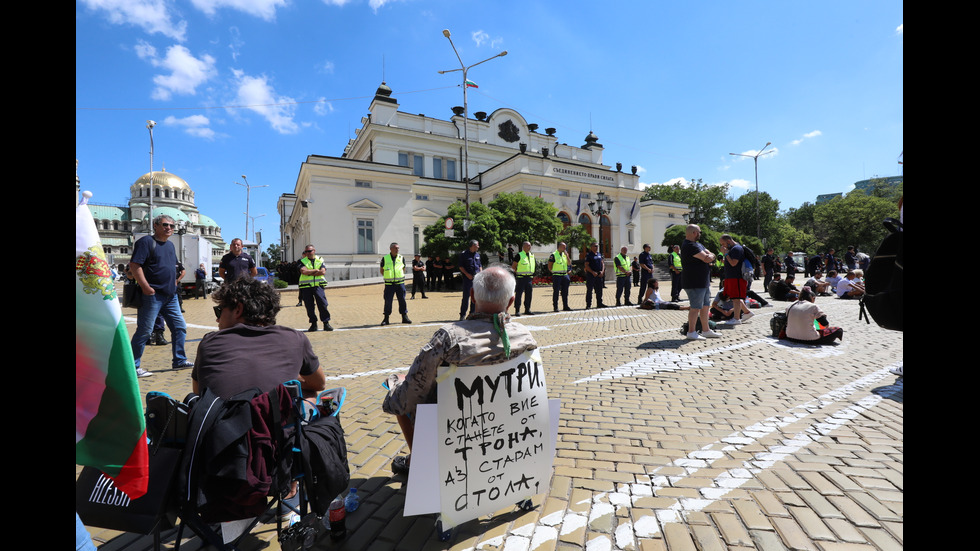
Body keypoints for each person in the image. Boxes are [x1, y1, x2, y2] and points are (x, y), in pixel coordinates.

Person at [380, 267, 538, 475]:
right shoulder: (525, 337)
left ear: (472, 296)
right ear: (511, 301)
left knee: (400, 385)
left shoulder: (449, 338)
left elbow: (408, 397)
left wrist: (393, 395)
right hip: (503, 425)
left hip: (454, 425)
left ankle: (419, 462)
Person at [192, 277, 327, 399]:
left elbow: (198, 393)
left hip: (221, 423)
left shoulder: (209, 342)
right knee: (310, 394)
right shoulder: (295, 338)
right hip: (274, 423)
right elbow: (319, 384)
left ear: (238, 309)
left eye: (219, 311)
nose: (217, 319)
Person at [129, 214, 194, 376]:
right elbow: (134, 265)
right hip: (152, 295)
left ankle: (179, 360)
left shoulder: (170, 246)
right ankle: (132, 367)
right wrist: (146, 287)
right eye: (165, 225)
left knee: (180, 327)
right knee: (145, 331)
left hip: (170, 296)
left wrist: (174, 283)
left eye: (172, 226)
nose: (169, 228)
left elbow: (174, 267)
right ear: (155, 225)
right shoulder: (146, 242)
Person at [681, 224, 722, 340]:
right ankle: (691, 332)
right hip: (694, 281)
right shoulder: (689, 245)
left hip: (702, 281)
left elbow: (710, 254)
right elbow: (707, 258)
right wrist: (711, 256)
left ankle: (706, 330)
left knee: (705, 306)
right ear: (694, 233)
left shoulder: (697, 244)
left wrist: (710, 255)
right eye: (700, 232)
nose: (700, 234)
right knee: (695, 307)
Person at [719, 234, 753, 325]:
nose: (723, 246)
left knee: (736, 298)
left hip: (736, 277)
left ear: (728, 241)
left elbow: (734, 263)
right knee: (735, 297)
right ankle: (747, 312)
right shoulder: (732, 249)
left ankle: (736, 318)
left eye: (723, 243)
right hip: (732, 277)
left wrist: (725, 253)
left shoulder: (736, 249)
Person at [298, 244, 333, 332]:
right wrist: (316, 270)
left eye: (310, 251)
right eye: (306, 251)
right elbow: (303, 271)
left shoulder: (320, 259)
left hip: (318, 286)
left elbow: (323, 272)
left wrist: (310, 272)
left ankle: (326, 323)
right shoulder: (301, 261)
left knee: (323, 304)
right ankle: (313, 324)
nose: (308, 253)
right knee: (309, 306)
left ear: (314, 251)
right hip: (306, 287)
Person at [381, 242, 411, 325]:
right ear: (391, 249)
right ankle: (386, 318)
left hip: (400, 283)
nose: (397, 249)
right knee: (388, 301)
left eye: (398, 248)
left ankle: (404, 317)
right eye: (395, 248)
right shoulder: (385, 258)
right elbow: (382, 270)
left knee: (402, 300)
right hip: (389, 284)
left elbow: (403, 269)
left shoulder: (401, 258)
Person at [458, 240, 482, 320]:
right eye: (477, 245)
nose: (478, 247)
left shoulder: (477, 254)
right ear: (473, 245)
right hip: (468, 279)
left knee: (475, 297)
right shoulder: (464, 254)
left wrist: (481, 273)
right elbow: (461, 266)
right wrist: (467, 274)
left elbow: (479, 265)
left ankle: (473, 314)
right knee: (466, 297)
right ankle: (462, 315)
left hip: (477, 279)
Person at [511, 241, 535, 316]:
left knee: (529, 294)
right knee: (519, 294)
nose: (529, 247)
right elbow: (513, 267)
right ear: (523, 247)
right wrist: (517, 274)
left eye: (530, 246)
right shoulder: (519, 255)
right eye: (528, 246)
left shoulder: (532, 255)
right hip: (521, 278)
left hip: (529, 278)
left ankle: (527, 309)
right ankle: (517, 310)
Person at [549, 242, 572, 312]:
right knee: (556, 291)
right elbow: (549, 266)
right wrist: (553, 272)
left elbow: (569, 263)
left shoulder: (565, 255)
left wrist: (567, 256)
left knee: (565, 291)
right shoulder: (553, 255)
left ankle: (565, 306)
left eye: (565, 247)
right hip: (557, 276)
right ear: (559, 247)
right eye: (563, 247)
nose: (565, 248)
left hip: (565, 275)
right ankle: (555, 307)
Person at [584, 242, 606, 309]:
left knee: (599, 290)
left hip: (599, 275)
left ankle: (599, 303)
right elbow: (586, 265)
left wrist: (602, 271)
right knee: (589, 290)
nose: (596, 247)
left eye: (597, 246)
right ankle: (588, 304)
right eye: (595, 246)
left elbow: (602, 263)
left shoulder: (599, 254)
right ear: (591, 247)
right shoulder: (588, 255)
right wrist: (592, 272)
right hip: (591, 275)